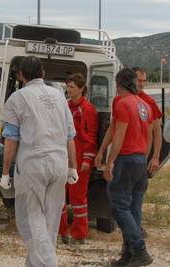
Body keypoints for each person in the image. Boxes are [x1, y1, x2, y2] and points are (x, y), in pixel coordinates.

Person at [0, 56, 78, 267]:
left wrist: (5, 172)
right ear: (42, 73)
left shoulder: (18, 98)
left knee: (31, 219)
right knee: (50, 221)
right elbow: (70, 135)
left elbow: (11, 139)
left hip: (33, 165)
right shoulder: (59, 96)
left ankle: (49, 263)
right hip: (59, 163)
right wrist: (72, 166)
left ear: (21, 75)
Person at [95, 67, 162, 238]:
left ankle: (137, 245)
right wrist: (102, 151)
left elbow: (154, 133)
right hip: (136, 158)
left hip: (130, 158)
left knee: (121, 204)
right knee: (131, 205)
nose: (142, 84)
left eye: (144, 80)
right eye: (139, 80)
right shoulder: (124, 101)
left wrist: (153, 157)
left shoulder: (146, 102)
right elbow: (113, 127)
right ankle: (131, 250)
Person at [103, 68, 153, 267]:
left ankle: (139, 250)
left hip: (127, 158)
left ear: (119, 83)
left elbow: (119, 135)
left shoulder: (123, 104)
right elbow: (148, 136)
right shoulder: (144, 105)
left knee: (118, 205)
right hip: (140, 158)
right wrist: (146, 158)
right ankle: (129, 255)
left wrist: (110, 162)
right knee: (134, 209)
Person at [59, 73, 98, 244]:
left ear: (81, 88)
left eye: (72, 87)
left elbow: (90, 138)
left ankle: (80, 235)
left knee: (78, 199)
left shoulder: (88, 109)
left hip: (80, 157)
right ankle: (62, 232)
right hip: (63, 157)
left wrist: (87, 161)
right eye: (67, 86)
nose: (68, 89)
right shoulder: (66, 106)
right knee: (59, 196)